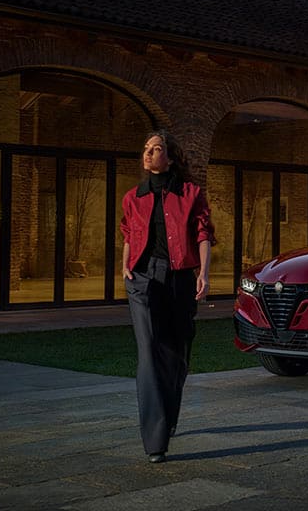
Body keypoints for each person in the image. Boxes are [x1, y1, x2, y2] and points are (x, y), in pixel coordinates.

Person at [120, 129, 216, 463]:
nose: (148, 153)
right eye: (146, 148)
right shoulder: (133, 197)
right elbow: (128, 233)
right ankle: (155, 441)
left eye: (156, 148)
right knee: (149, 353)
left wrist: (203, 273)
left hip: (180, 279)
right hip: (143, 279)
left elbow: (203, 234)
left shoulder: (190, 194)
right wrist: (125, 265)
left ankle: (168, 417)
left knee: (177, 354)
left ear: (171, 157)